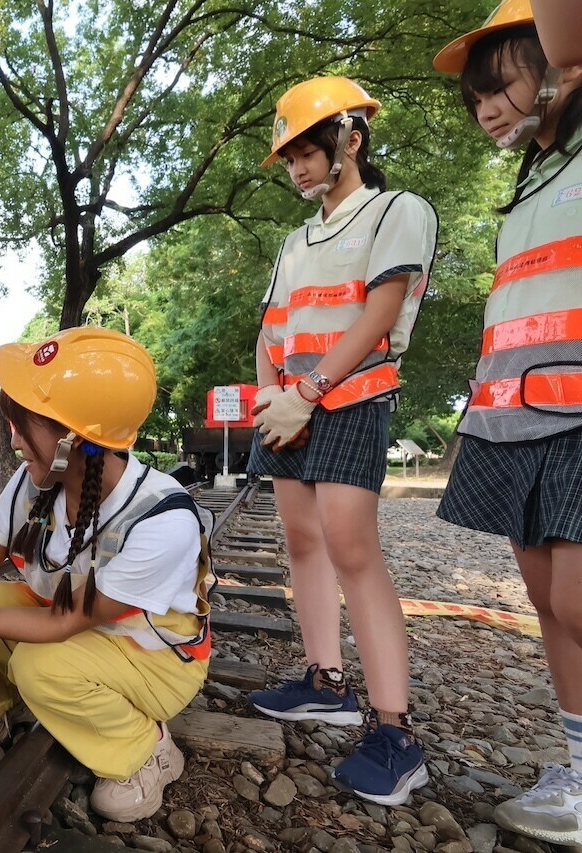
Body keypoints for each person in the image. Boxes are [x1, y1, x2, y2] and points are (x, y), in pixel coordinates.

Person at [0, 327, 215, 823]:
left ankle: (146, 749)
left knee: (36, 664)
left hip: (155, 661)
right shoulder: (36, 482)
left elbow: (61, 627)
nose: (11, 439)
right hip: (84, 632)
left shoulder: (161, 519)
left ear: (74, 441)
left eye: (23, 425)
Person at [244, 77, 438, 806]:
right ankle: (325, 679)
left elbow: (381, 312)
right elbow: (271, 327)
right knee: (301, 542)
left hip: (349, 401)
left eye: (306, 152)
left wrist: (306, 393)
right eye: (288, 156)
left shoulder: (398, 210)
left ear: (350, 141)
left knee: (353, 549)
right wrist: (271, 393)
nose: (296, 168)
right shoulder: (295, 240)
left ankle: (396, 731)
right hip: (290, 407)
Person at [433, 4, 582, 844]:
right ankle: (578, 772)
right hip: (518, 415)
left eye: (500, 83)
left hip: (579, 411)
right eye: (476, 96)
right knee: (546, 601)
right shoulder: (530, 175)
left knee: (577, 595)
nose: (486, 106)